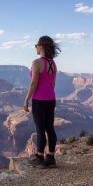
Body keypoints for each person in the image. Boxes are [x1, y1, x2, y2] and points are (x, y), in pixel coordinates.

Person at [24, 35, 61, 168]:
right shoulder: (53, 63)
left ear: (41, 46)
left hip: (39, 100)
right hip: (51, 99)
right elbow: (53, 84)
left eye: (36, 45)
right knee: (49, 128)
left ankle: (39, 158)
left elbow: (34, 83)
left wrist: (27, 99)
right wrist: (48, 94)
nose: (36, 48)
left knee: (40, 129)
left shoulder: (37, 62)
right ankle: (51, 157)